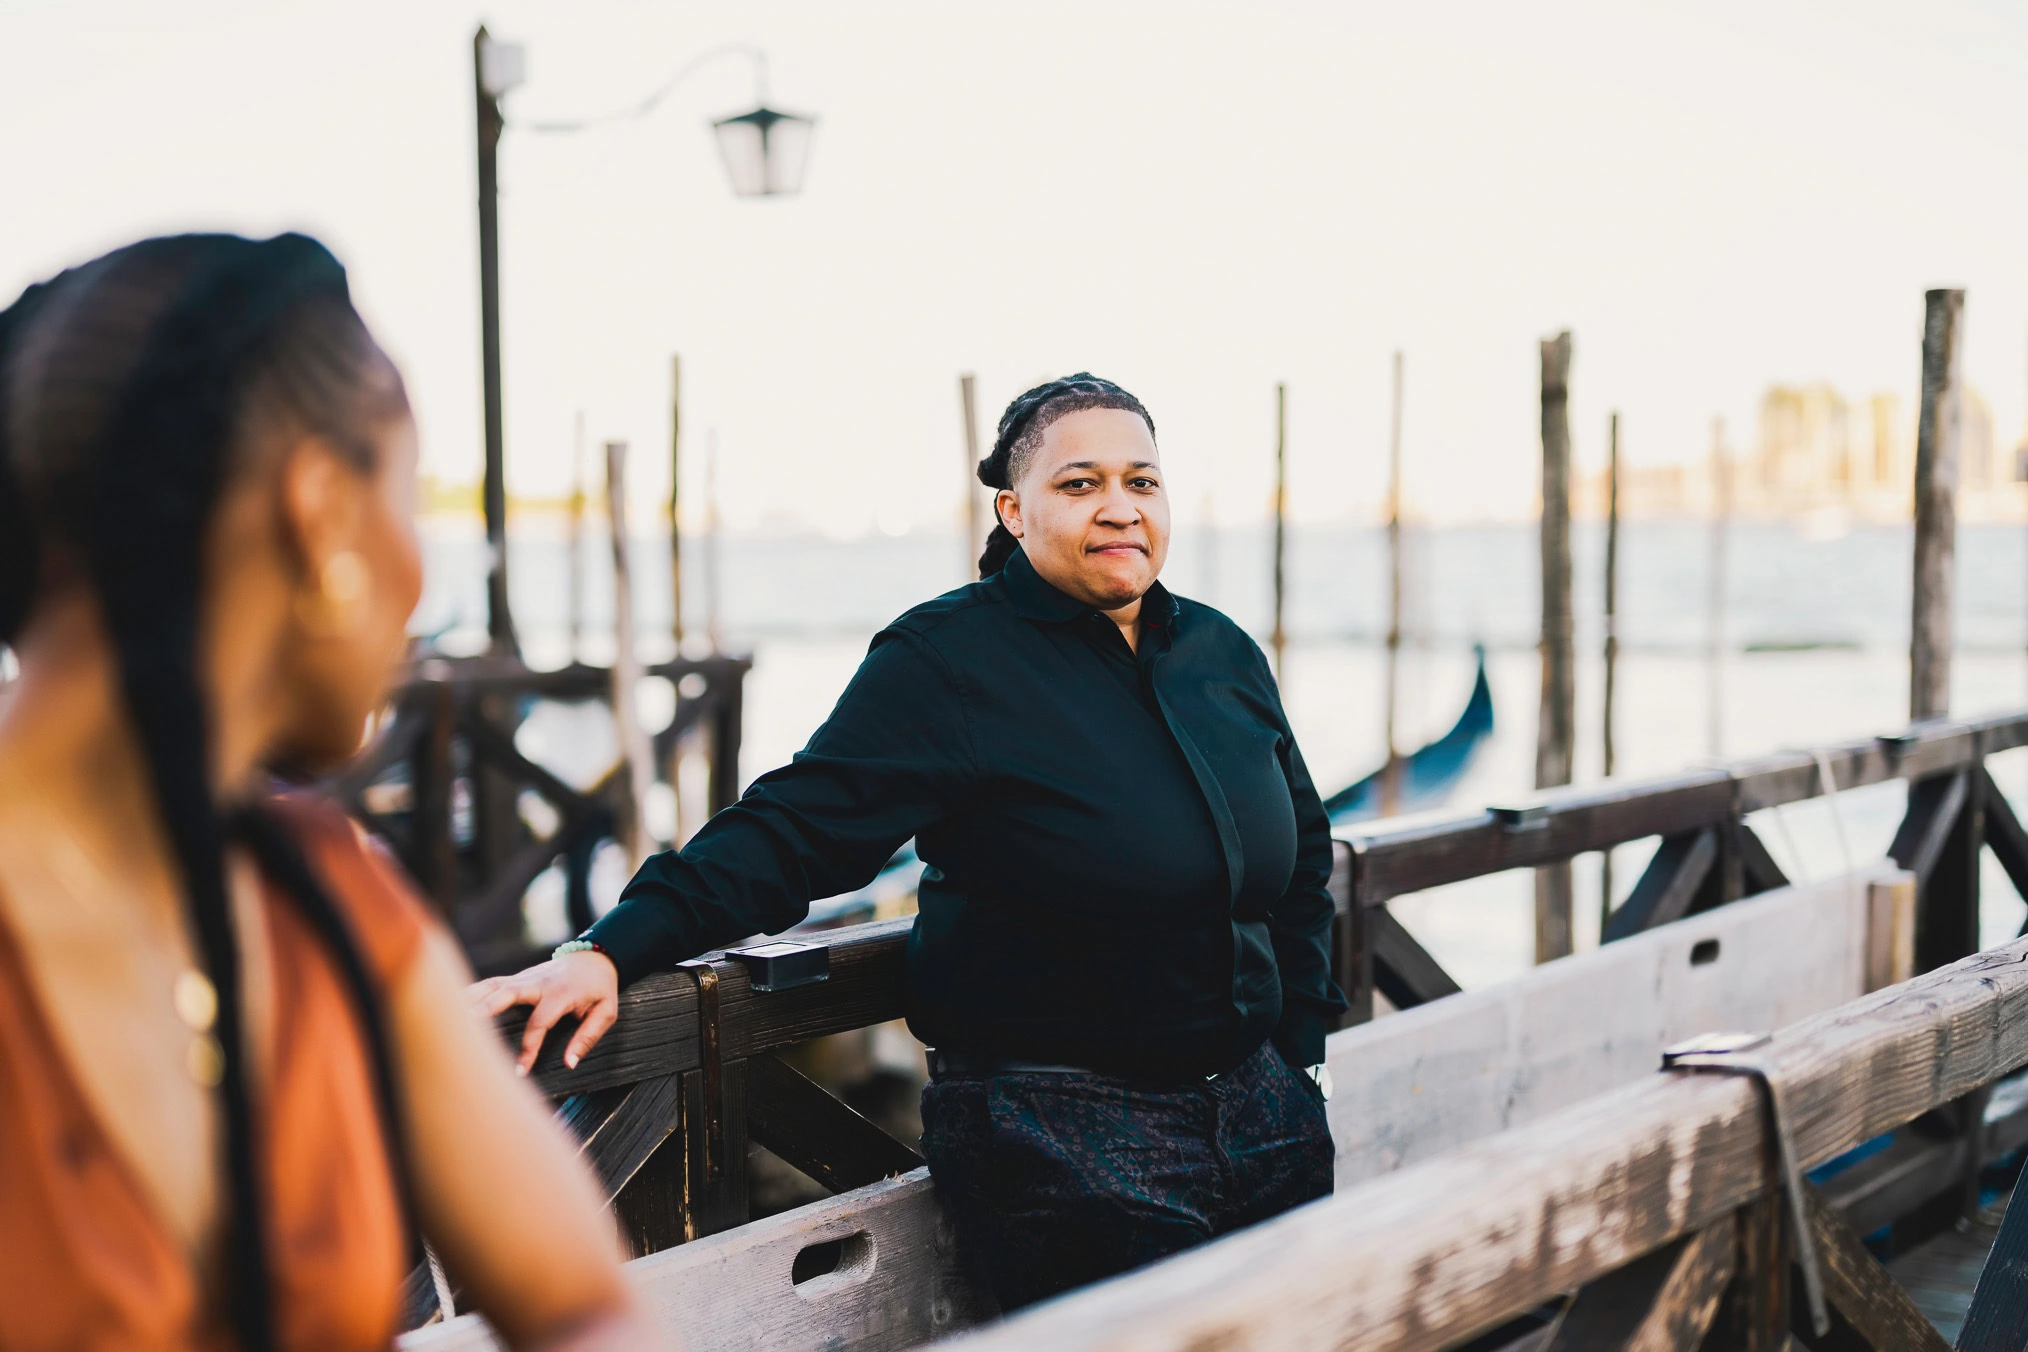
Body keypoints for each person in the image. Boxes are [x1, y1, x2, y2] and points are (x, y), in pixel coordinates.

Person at [477, 373, 1345, 1310]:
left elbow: (1300, 853)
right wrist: (610, 947)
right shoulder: (946, 662)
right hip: (1061, 1132)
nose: (1120, 508)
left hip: (1262, 1115)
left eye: (1142, 482)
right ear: (1014, 510)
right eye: (1080, 484)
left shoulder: (1221, 653)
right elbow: (794, 831)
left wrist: (1297, 1049)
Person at [0, 234, 657, 1351]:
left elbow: (586, 1304)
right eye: (409, 499)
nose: (419, 578)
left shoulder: (327, 892)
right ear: (319, 510)